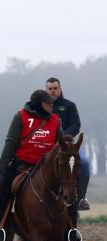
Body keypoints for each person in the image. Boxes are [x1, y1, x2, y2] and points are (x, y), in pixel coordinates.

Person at [0, 90, 82, 241]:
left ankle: (71, 230)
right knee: (2, 190)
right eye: (48, 104)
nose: (51, 106)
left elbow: (59, 144)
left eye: (52, 103)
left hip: (47, 167)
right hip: (22, 165)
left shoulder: (55, 120)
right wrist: (1, 171)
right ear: (39, 105)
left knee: (70, 188)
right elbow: (10, 144)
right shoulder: (20, 117)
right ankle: (1, 228)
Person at [46, 77, 90, 210]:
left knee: (85, 162)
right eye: (50, 89)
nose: (53, 91)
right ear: (46, 90)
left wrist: (63, 137)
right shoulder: (41, 107)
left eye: (55, 88)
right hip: (45, 144)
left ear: (60, 89)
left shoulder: (69, 106)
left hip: (67, 145)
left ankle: (81, 198)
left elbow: (76, 125)